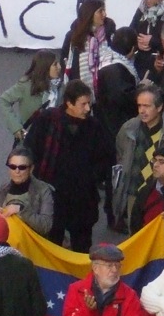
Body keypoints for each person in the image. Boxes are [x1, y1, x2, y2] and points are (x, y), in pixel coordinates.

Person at [25, 80, 110, 252]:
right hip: (52, 197)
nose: (88, 109)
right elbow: (30, 149)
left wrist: (92, 177)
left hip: (82, 200)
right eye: (83, 104)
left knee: (83, 247)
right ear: (69, 103)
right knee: (52, 248)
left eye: (89, 103)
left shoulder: (94, 127)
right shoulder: (48, 120)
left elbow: (106, 157)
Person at [0, 146, 55, 236]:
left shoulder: (43, 190)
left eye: (22, 167)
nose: (17, 171)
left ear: (31, 169)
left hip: (32, 246)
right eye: (13, 167)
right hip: (8, 247)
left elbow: (46, 226)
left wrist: (21, 210)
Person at [0, 51, 62, 140]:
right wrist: (16, 128)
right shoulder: (26, 85)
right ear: (45, 68)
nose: (59, 67)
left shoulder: (60, 86)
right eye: (55, 64)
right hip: (31, 139)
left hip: (54, 139)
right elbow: (4, 100)